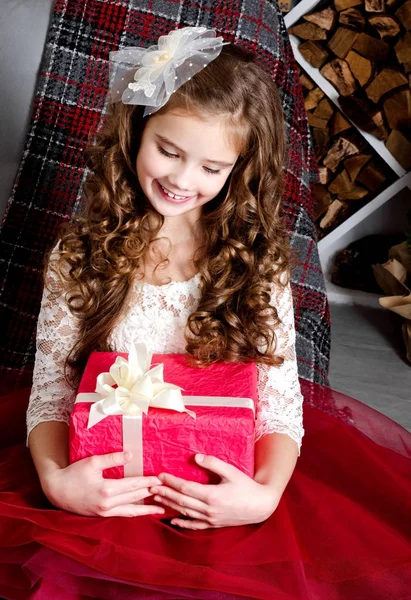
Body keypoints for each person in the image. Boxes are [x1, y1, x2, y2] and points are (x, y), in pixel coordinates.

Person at [0, 26, 410, 600]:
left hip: (220, 482)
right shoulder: (79, 256)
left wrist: (262, 497)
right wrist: (57, 482)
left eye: (211, 167)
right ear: (138, 129)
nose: (182, 180)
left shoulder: (255, 265)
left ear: (237, 170)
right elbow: (51, 390)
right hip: (105, 487)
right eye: (167, 151)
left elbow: (278, 405)